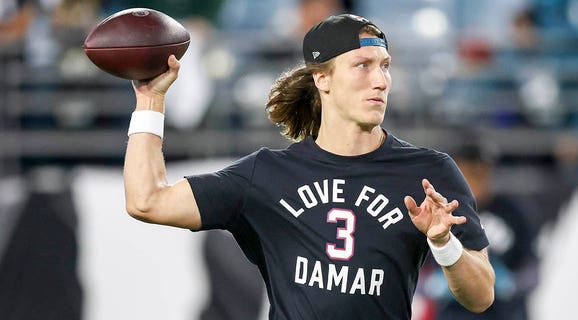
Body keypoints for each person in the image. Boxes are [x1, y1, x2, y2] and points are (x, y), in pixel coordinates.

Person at [123, 14, 495, 319]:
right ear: (322, 78)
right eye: (362, 66)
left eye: (384, 66)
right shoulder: (267, 175)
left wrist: (443, 243)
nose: (380, 81)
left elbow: (480, 296)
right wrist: (150, 100)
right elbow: (147, 200)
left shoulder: (429, 173)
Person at [414, 139, 539, 320]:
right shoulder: (437, 213)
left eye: (481, 172)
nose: (474, 181)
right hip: (451, 314)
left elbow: (532, 270)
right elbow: (414, 271)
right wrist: (433, 283)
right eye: (468, 173)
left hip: (504, 314)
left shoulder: (514, 212)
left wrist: (512, 283)